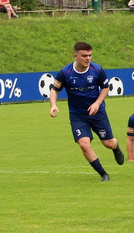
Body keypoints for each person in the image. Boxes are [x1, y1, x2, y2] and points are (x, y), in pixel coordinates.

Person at [48, 42, 125, 181]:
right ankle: (103, 174)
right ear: (76, 56)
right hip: (78, 115)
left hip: (97, 112)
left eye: (90, 55)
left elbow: (105, 88)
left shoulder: (97, 69)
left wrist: (97, 103)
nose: (88, 58)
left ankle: (115, 147)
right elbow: (54, 90)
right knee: (84, 144)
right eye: (84, 56)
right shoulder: (65, 73)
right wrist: (53, 105)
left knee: (108, 143)